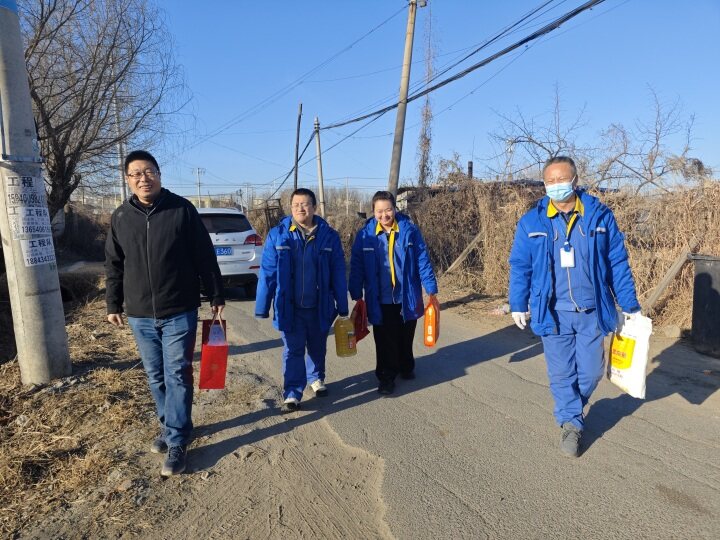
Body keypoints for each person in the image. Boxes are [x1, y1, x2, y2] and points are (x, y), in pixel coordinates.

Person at [509, 156, 641, 457]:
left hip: (592, 311)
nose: (556, 185)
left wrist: (629, 304)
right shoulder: (531, 222)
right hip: (551, 311)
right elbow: (520, 266)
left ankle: (571, 408)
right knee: (561, 373)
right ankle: (571, 423)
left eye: (561, 179)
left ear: (575, 181)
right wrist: (517, 302)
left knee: (592, 373)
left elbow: (617, 262)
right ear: (544, 185)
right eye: (550, 181)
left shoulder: (599, 216)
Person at [105, 150, 224, 477]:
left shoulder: (181, 210)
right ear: (128, 180)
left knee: (177, 373)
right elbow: (114, 264)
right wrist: (113, 303)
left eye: (149, 172)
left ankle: (177, 440)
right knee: (155, 375)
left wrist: (216, 294)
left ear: (159, 174)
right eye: (136, 174)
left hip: (179, 309)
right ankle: (171, 426)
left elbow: (204, 255)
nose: (143, 178)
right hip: (140, 313)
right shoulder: (120, 217)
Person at [255, 188, 349, 412]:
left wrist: (342, 304)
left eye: (305, 204)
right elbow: (268, 272)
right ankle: (292, 391)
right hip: (289, 306)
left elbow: (338, 271)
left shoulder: (329, 236)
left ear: (314, 207)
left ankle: (316, 378)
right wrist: (262, 306)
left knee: (317, 346)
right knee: (293, 349)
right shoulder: (279, 235)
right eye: (296, 204)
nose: (300, 208)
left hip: (320, 304)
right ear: (290, 208)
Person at [349, 190, 438, 395]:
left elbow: (422, 259)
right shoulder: (365, 235)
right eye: (379, 211)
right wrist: (355, 289)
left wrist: (430, 288)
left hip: (407, 295)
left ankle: (406, 365)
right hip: (380, 297)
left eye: (388, 210)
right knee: (384, 338)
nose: (384, 215)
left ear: (395, 209)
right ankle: (386, 377)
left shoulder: (409, 231)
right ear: (373, 212)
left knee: (406, 334)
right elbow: (357, 265)